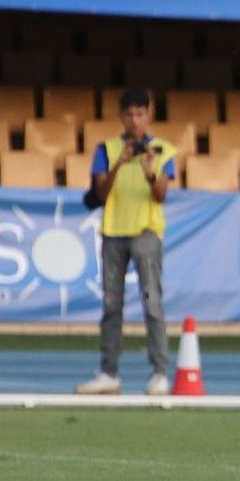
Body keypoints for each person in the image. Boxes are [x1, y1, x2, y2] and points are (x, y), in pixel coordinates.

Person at [75, 90, 178, 397]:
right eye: (129, 114)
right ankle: (109, 373)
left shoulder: (163, 150)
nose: (135, 121)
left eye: (140, 114)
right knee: (111, 305)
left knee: (152, 303)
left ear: (150, 115)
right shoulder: (106, 150)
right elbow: (101, 193)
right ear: (121, 116)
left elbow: (160, 195)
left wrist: (149, 172)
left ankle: (159, 373)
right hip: (113, 233)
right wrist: (119, 163)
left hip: (146, 233)